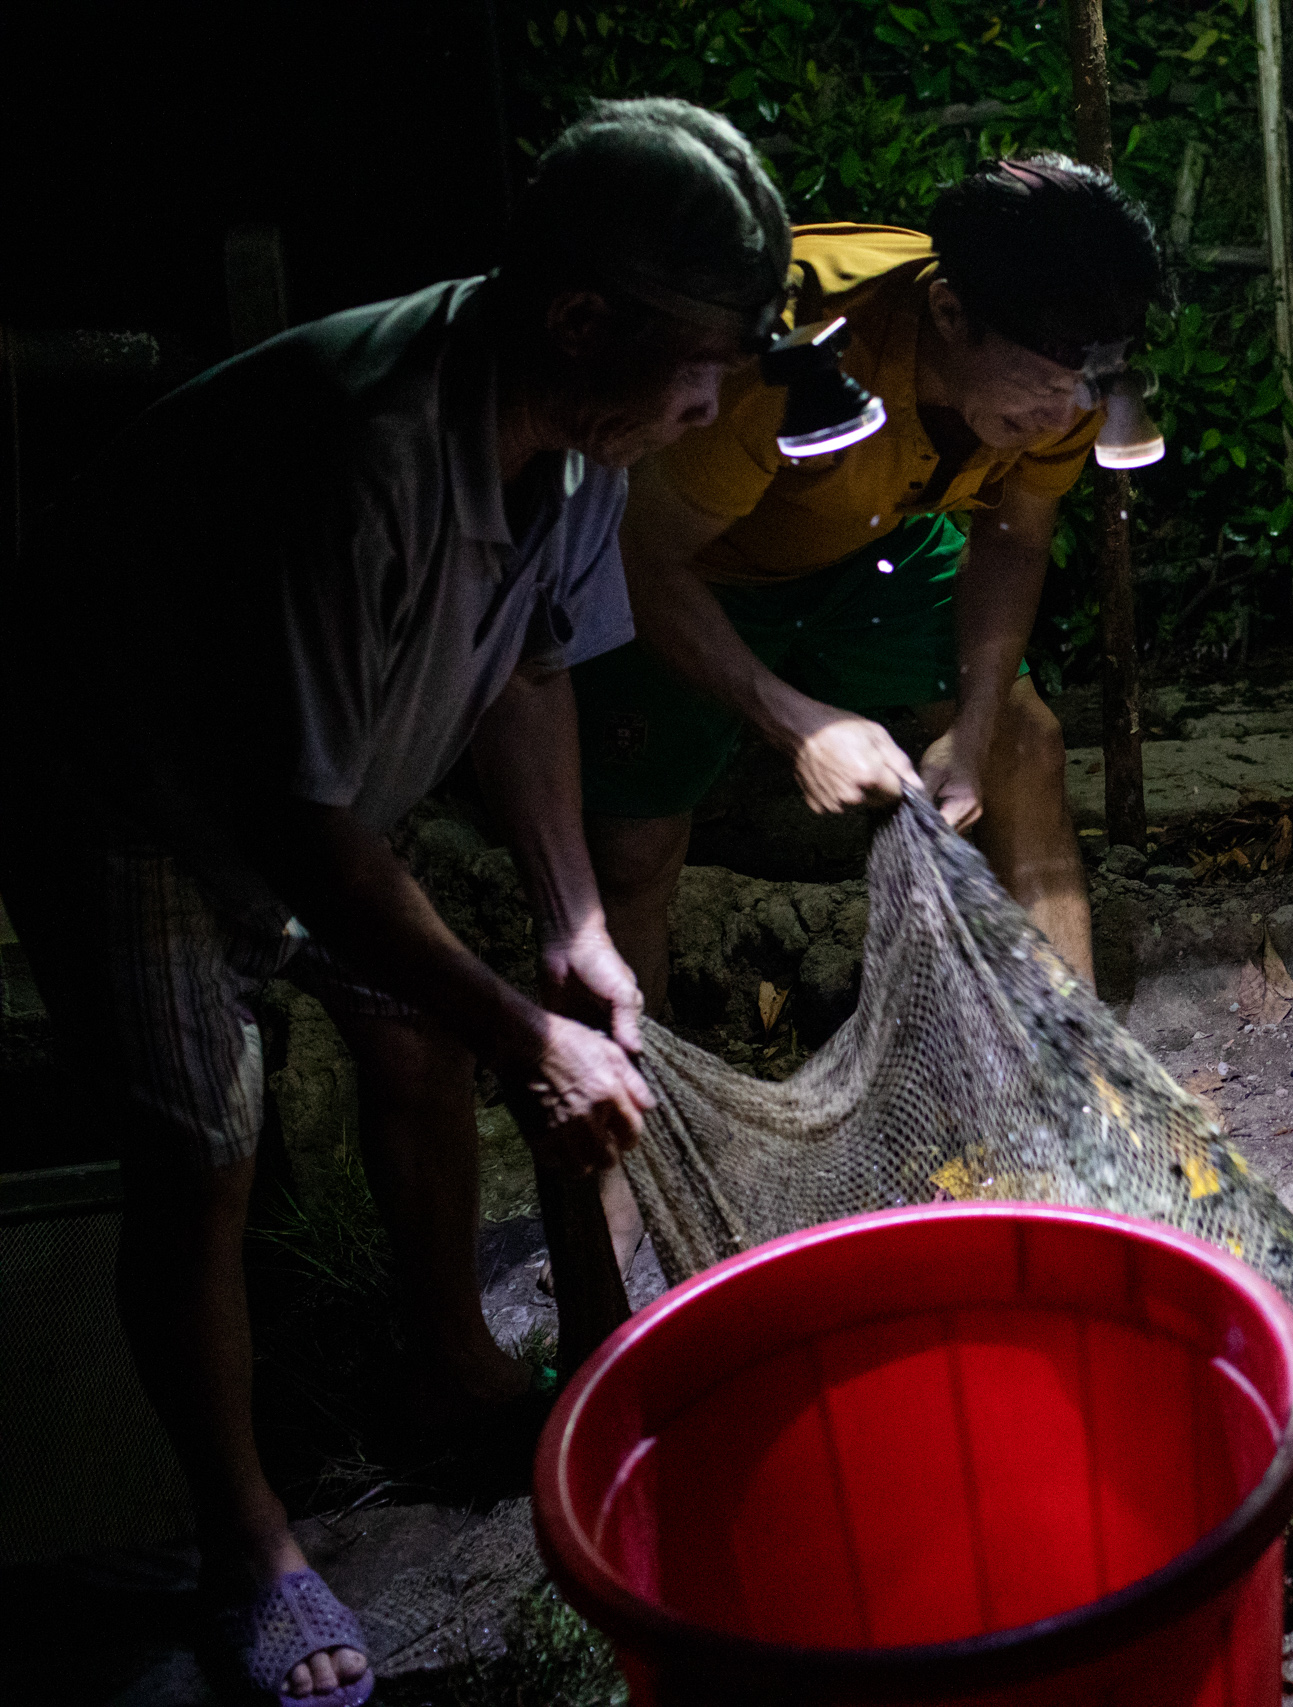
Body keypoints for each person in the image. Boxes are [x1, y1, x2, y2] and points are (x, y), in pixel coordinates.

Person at [0, 99, 790, 1705]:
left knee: (418, 1038)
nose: (713, 403)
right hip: (131, 789)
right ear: (581, 318)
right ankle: (249, 1542)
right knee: (203, 1146)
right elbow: (296, 834)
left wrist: (572, 921)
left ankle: (448, 1375)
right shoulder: (365, 450)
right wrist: (528, 1033)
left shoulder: (581, 439)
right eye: (701, 362)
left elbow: (535, 672)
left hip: (319, 792)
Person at [572, 153, 1160, 1267]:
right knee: (634, 850)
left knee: (1026, 742)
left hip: (878, 536)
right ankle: (620, 1147)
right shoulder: (780, 351)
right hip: (692, 565)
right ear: (949, 312)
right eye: (1043, 383)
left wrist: (971, 733)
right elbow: (638, 556)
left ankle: (1074, 1076)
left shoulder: (1069, 362)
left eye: (1083, 387)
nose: (1064, 412)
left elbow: (1013, 535)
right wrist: (794, 719)